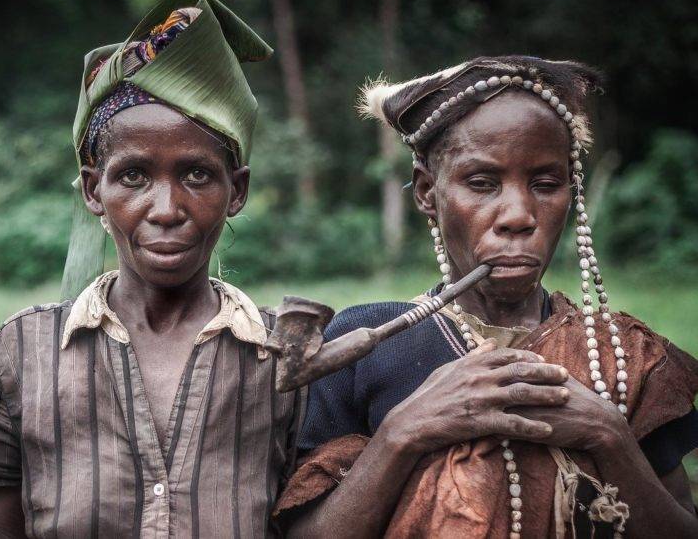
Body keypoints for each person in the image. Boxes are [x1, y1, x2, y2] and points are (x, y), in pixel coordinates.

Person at [0, 0, 306, 538]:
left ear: (236, 190)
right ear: (94, 190)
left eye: (196, 175)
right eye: (133, 176)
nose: (166, 209)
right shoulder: (22, 352)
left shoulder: (287, 358)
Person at [275, 56, 698, 538]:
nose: (518, 216)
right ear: (427, 192)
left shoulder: (626, 357)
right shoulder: (363, 345)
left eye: (546, 184)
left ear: (571, 191)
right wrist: (401, 433)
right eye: (481, 183)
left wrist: (609, 436)